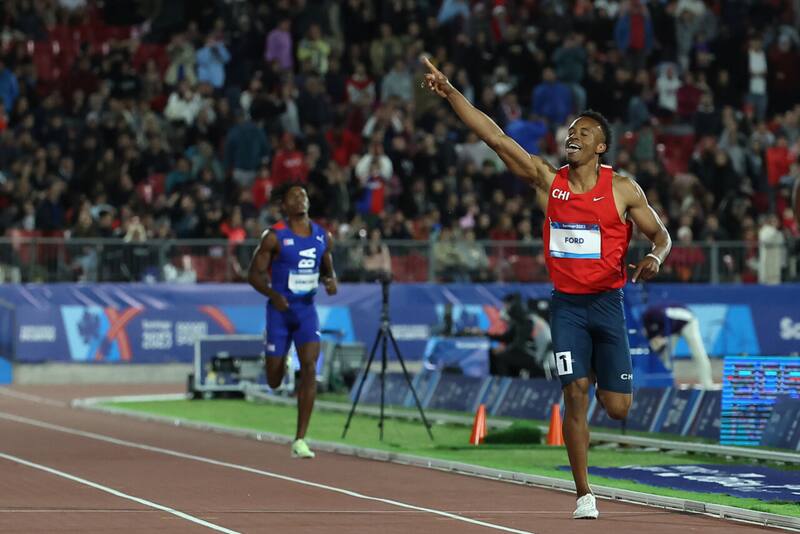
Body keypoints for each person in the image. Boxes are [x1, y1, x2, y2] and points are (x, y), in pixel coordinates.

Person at [422, 56, 672, 520]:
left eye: (583, 132)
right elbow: (495, 137)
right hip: (567, 307)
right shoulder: (547, 181)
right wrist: (452, 91)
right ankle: (584, 494)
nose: (572, 136)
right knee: (574, 392)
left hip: (608, 303)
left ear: (601, 146)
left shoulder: (623, 189)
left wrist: (655, 257)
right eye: (570, 131)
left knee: (617, 407)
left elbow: (661, 235)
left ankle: (596, 366)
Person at [247, 183, 337, 459]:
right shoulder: (274, 236)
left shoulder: (323, 236)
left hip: (306, 312)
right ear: (284, 206)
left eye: (304, 195)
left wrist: (330, 280)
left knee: (309, 367)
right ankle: (280, 362)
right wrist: (273, 295)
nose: (300, 199)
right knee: (274, 380)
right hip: (280, 312)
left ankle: (300, 439)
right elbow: (253, 275)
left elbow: (327, 267)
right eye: (294, 196)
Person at [641, 303, 714, 389]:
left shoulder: (659, 315)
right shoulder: (646, 321)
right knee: (665, 356)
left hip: (688, 321)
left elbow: (667, 327)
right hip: (673, 328)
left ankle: (707, 385)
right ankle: (664, 383)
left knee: (698, 354)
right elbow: (652, 339)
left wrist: (662, 338)